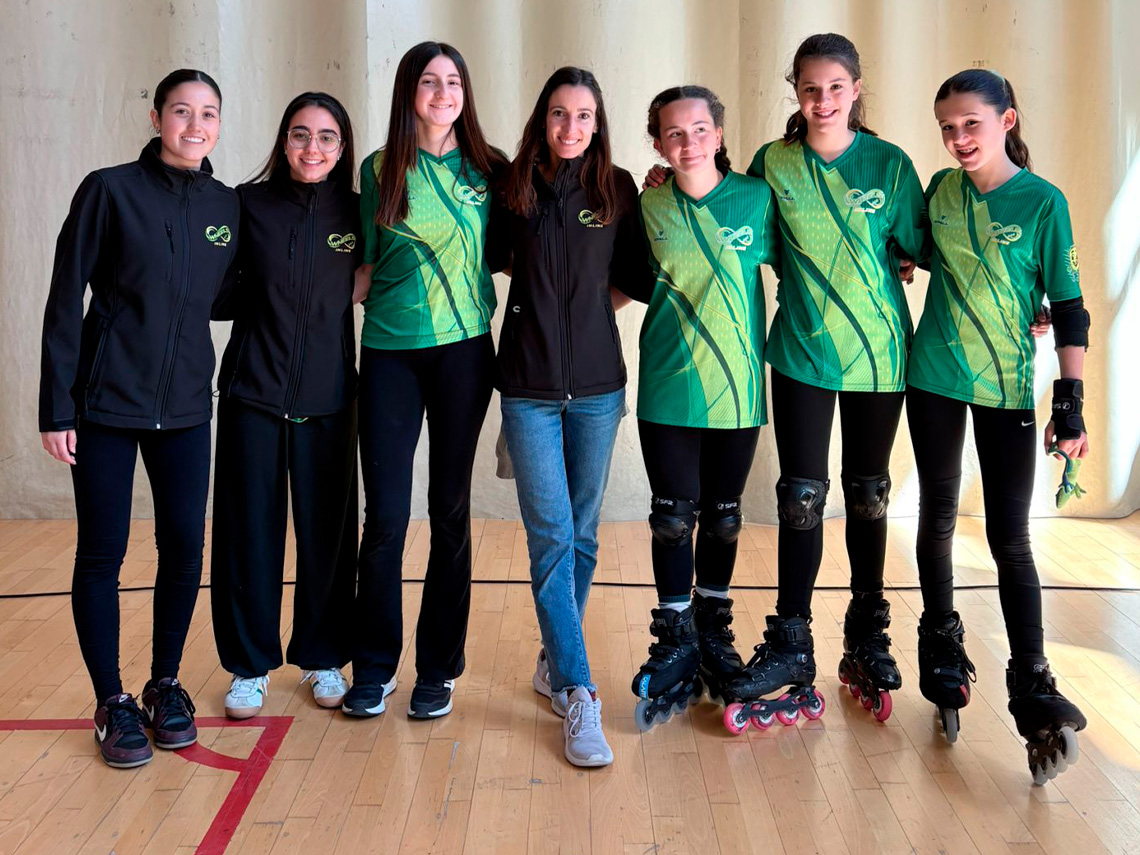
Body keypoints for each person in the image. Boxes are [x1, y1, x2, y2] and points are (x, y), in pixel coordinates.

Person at [39, 69, 238, 768]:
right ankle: (112, 701)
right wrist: (56, 406)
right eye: (181, 111)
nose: (194, 125)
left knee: (184, 546)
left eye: (207, 113)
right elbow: (65, 297)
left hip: (185, 406)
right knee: (103, 551)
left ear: (219, 124)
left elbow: (224, 295)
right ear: (156, 118)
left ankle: (164, 685)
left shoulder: (225, 204)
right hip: (105, 405)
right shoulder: (109, 190)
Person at [727, 33, 928, 726]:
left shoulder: (890, 165)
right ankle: (791, 639)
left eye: (835, 87)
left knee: (868, 495)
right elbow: (732, 217)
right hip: (803, 352)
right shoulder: (773, 162)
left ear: (856, 88)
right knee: (801, 498)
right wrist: (669, 179)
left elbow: (933, 246)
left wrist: (1037, 302)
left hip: (879, 354)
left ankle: (867, 632)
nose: (822, 100)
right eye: (810, 88)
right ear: (796, 91)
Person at [907, 68, 1089, 782]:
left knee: (1011, 538)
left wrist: (1070, 400)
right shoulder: (941, 192)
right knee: (937, 516)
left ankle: (1033, 682)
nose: (957, 139)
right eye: (947, 128)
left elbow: (1067, 305)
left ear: (1006, 121)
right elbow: (912, 250)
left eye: (971, 125)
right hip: (933, 376)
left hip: (1006, 386)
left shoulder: (1043, 202)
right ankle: (941, 647)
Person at [345, 41, 505, 719]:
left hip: (464, 353)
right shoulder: (379, 167)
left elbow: (526, 241)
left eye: (453, 82)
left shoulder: (491, 169)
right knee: (384, 516)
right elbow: (363, 269)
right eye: (430, 81)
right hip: (389, 353)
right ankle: (374, 666)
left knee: (449, 510)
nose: (443, 93)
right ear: (408, 91)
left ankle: (438, 668)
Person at [490, 66, 643, 766]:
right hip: (526, 388)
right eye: (559, 113)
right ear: (542, 119)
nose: (571, 127)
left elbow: (630, 278)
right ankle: (580, 692)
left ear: (598, 122)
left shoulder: (618, 188)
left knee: (582, 534)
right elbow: (493, 259)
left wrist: (581, 318)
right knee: (551, 534)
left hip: (599, 391)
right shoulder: (512, 186)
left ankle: (554, 660)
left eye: (584, 115)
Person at [629, 85, 780, 732]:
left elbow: (810, 265)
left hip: (738, 388)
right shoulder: (648, 205)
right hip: (668, 385)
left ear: (718, 134)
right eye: (674, 132)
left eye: (699, 130)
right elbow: (622, 281)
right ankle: (674, 636)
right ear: (658, 143)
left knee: (722, 518)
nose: (688, 142)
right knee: (671, 519)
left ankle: (713, 630)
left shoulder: (757, 198)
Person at [210, 92, 362, 719]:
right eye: (300, 134)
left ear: (342, 148)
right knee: (249, 533)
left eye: (327, 137)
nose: (312, 148)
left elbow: (375, 277)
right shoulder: (247, 203)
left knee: (328, 537)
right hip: (254, 392)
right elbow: (216, 292)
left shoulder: (358, 211)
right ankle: (248, 666)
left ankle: (324, 655)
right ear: (283, 141)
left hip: (330, 396)